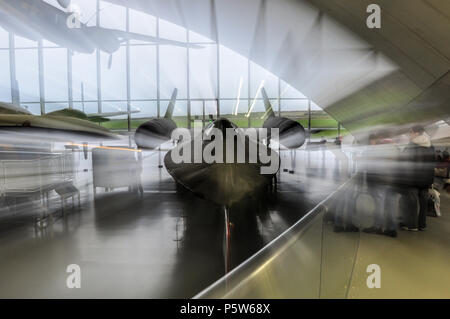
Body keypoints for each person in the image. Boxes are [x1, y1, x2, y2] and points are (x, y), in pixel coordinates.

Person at [400, 125, 435, 231]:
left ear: (416, 133)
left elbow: (405, 162)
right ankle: (422, 224)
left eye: (410, 132)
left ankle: (411, 225)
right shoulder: (430, 146)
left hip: (413, 178)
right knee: (423, 203)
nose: (409, 134)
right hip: (426, 179)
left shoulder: (412, 145)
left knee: (412, 203)